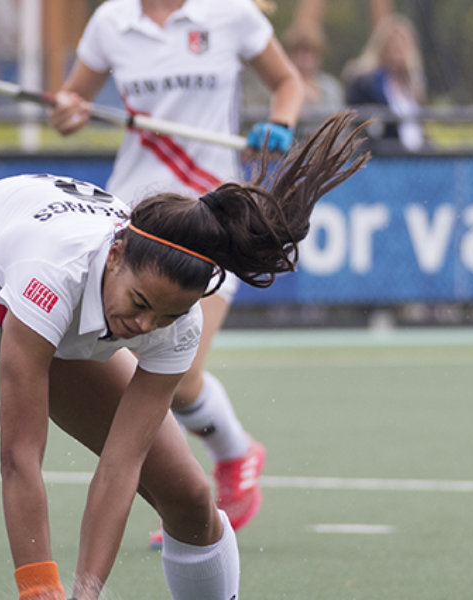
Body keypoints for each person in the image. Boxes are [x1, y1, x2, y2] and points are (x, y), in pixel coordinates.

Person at [0, 112, 369, 600]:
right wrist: (39, 586)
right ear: (115, 255)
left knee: (188, 495)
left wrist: (85, 593)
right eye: (140, 303)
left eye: (165, 316)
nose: (144, 326)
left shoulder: (177, 324)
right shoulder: (55, 273)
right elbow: (20, 457)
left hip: (48, 308)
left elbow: (119, 468)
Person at [46, 0, 304, 546]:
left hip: (210, 222)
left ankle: (232, 456)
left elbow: (288, 82)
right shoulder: (112, 21)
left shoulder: (231, 14)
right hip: (134, 223)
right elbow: (71, 107)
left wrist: (280, 124)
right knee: (115, 369)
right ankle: (188, 490)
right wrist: (67, 113)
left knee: (181, 378)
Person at [342, 14, 428, 152]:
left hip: (415, 153)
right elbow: (361, 121)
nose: (398, 49)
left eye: (402, 44)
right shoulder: (366, 82)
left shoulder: (413, 83)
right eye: (393, 44)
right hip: (385, 153)